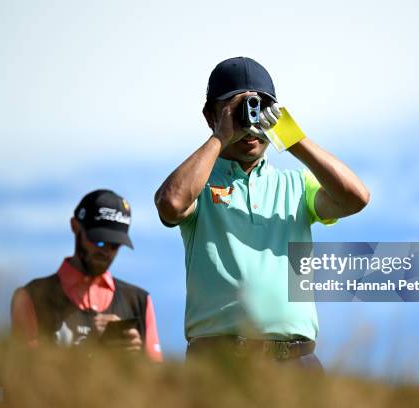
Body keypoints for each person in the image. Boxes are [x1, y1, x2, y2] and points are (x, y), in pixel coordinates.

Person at [154, 56, 370, 368]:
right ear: (210, 114)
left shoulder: (295, 185)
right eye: (237, 108)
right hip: (220, 364)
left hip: (298, 362)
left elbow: (356, 197)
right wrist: (221, 136)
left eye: (262, 107)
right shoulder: (198, 183)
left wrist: (291, 137)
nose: (251, 121)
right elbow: (171, 205)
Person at [11, 189, 162, 362]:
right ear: (75, 227)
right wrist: (90, 346)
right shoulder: (31, 297)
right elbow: (24, 373)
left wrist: (136, 356)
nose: (105, 250)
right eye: (98, 240)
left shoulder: (139, 301)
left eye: (114, 245)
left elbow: (157, 378)